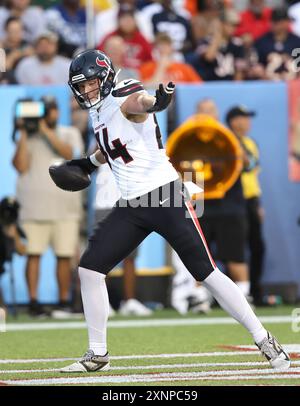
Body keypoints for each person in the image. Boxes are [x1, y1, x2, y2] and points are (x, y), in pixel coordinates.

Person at [59, 49, 290, 372]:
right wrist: (88, 163)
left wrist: (157, 102)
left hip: (164, 196)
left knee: (206, 273)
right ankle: (97, 353)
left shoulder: (124, 91)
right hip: (133, 204)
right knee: (90, 269)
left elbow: (138, 104)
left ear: (107, 77)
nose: (86, 92)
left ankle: (264, 338)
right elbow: (114, 145)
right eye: (80, 87)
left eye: (90, 84)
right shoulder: (99, 111)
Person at [12, 96, 84, 317]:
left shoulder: (69, 132)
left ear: (57, 112)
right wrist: (23, 132)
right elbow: (20, 166)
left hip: (65, 208)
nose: (47, 113)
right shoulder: (26, 137)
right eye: (45, 110)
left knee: (64, 256)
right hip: (33, 209)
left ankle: (63, 302)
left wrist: (44, 130)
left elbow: (70, 155)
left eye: (51, 109)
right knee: (33, 254)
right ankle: (33, 302)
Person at [94, 164, 152, 316]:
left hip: (130, 198)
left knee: (130, 255)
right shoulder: (97, 139)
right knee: (101, 256)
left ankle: (130, 301)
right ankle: (102, 303)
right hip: (104, 201)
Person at [226, 106, 265, 305]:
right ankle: (234, 296)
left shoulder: (250, 142)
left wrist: (258, 202)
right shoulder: (226, 140)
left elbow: (252, 170)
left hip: (251, 200)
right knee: (235, 249)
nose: (248, 122)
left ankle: (255, 292)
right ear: (233, 121)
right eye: (244, 118)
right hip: (234, 203)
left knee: (257, 247)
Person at [187, 8, 247, 81]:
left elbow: (239, 71)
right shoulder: (206, 41)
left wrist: (237, 89)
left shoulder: (237, 44)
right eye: (230, 24)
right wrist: (217, 36)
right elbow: (209, 57)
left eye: (235, 25)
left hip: (229, 85)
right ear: (221, 24)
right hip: (210, 84)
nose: (233, 28)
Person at [97, 5, 153, 71]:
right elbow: (99, 57)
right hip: (114, 71)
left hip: (138, 74)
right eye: (123, 19)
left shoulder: (141, 39)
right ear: (118, 21)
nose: (127, 22)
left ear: (135, 21)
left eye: (130, 18)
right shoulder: (110, 38)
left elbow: (150, 60)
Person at [254, 7, 300, 80]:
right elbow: (257, 65)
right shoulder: (262, 42)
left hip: (292, 84)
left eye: (283, 22)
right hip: (267, 83)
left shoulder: (296, 41)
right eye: (276, 22)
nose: (279, 25)